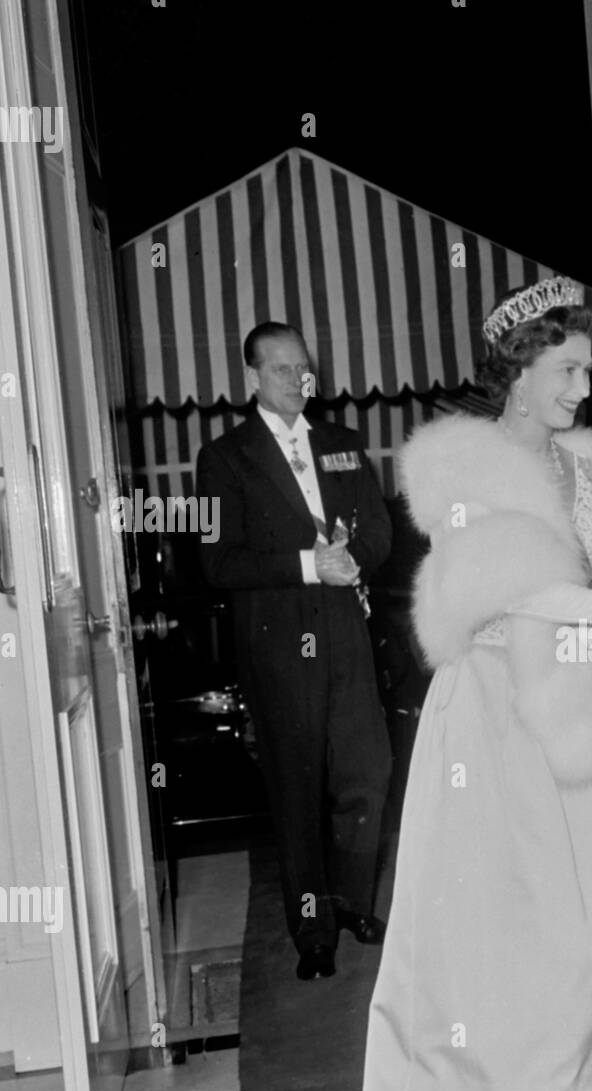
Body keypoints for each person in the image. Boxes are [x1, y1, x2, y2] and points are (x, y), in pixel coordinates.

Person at [360, 278, 592, 1091]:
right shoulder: (462, 471)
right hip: (496, 712)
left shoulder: (586, 467)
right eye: (567, 367)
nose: (585, 385)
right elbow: (519, 591)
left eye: (588, 367)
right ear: (516, 371)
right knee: (495, 922)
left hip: (578, 706)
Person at [198, 323, 392, 981]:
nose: (298, 381)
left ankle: (354, 901)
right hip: (279, 643)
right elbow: (217, 563)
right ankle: (313, 930)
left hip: (346, 630)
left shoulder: (340, 444)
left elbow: (381, 533)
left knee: (369, 771)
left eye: (304, 369)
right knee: (297, 785)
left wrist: (352, 561)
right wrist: (313, 565)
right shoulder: (224, 457)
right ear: (251, 374)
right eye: (282, 370)